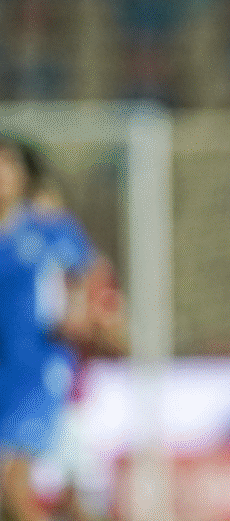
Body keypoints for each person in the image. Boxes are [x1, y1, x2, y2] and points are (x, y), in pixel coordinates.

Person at [0, 135, 126, 521]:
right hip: (6, 374)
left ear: (22, 176)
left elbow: (92, 277)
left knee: (14, 483)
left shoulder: (47, 230)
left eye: (6, 165)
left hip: (37, 372)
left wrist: (88, 316)